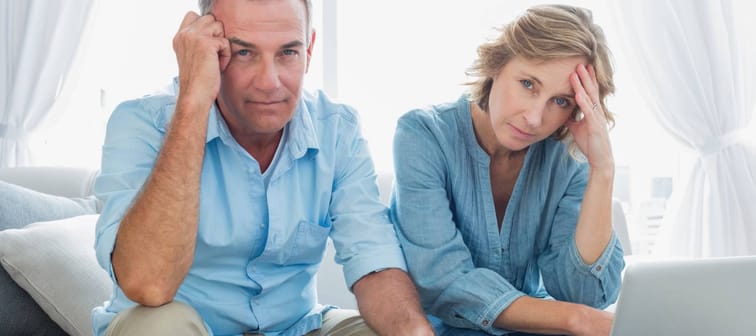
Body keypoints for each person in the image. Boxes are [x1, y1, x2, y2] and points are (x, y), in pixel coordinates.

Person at [91, 0, 434, 335]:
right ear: (206, 50)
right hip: (183, 328)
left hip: (295, 327)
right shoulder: (142, 123)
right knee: (158, 326)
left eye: (287, 52)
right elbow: (148, 285)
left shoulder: (337, 130)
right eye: (244, 53)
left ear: (309, 49)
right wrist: (195, 99)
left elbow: (374, 262)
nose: (270, 82)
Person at [390, 4, 625, 336]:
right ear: (496, 65)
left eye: (561, 101)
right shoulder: (424, 134)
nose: (534, 118)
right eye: (528, 83)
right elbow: (442, 280)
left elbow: (584, 295)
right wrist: (575, 319)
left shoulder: (568, 161)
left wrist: (602, 170)